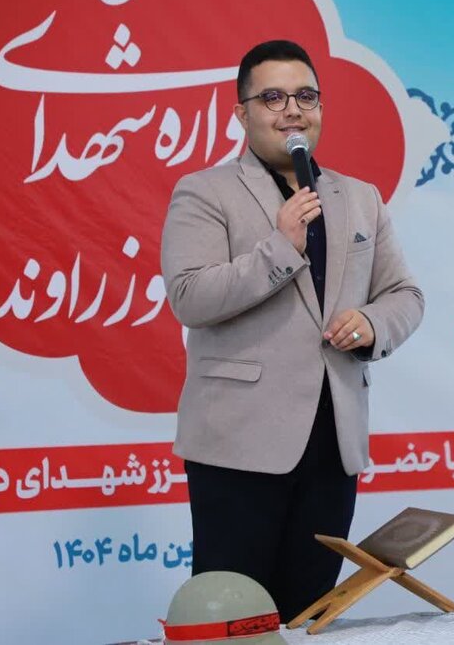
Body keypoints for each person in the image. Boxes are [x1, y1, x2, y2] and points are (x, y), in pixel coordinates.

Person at [160, 40, 424, 623]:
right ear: (241, 113)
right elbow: (190, 297)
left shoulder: (361, 198)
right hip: (237, 444)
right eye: (273, 98)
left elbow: (405, 296)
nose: (292, 111)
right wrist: (280, 248)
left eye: (306, 96)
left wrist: (372, 322)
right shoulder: (204, 191)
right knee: (233, 618)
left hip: (333, 442)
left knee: (309, 617)